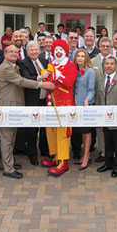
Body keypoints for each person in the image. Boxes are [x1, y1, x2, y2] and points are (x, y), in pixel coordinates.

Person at [0, 44, 54, 179]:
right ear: (4, 54)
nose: (14, 54)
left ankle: (6, 163)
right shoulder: (5, 68)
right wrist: (41, 84)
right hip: (7, 107)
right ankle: (8, 169)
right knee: (6, 138)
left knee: (11, 137)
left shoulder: (12, 66)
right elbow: (20, 81)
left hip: (14, 106)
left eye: (16, 52)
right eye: (10, 52)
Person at [40, 39, 77, 176]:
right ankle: (56, 157)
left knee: (63, 133)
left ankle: (64, 161)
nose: (58, 52)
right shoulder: (52, 64)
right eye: (56, 50)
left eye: (61, 50)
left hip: (64, 105)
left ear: (66, 51)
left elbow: (69, 83)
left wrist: (57, 74)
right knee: (52, 131)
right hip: (51, 104)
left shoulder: (69, 65)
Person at [90, 36, 117, 163]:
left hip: (114, 100)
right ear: (99, 47)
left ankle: (116, 153)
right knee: (101, 128)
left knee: (115, 129)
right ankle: (104, 151)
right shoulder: (93, 61)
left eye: (107, 46)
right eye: (103, 46)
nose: (105, 48)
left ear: (111, 47)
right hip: (99, 99)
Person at [17, 41, 49, 166]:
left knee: (45, 127)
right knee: (32, 129)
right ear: (27, 51)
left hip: (44, 100)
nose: (34, 52)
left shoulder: (44, 61)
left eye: (36, 50)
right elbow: (25, 79)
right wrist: (40, 78)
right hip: (32, 100)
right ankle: (32, 154)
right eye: (31, 50)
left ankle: (44, 150)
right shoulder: (24, 63)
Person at [73, 48, 96, 170]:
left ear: (86, 58)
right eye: (78, 56)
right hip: (75, 106)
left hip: (86, 106)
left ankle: (86, 156)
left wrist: (87, 100)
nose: (80, 58)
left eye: (82, 56)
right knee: (80, 132)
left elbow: (92, 90)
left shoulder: (90, 71)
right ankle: (83, 153)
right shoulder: (74, 71)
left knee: (87, 132)